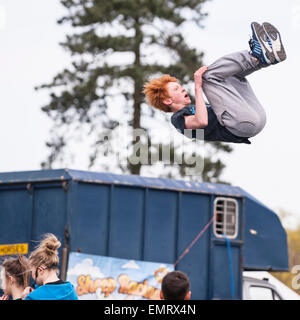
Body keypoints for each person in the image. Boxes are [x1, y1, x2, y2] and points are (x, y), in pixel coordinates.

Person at [143, 22, 286, 145]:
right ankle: (255, 56)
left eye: (180, 87)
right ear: (168, 100)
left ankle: (263, 60)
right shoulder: (178, 120)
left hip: (255, 118)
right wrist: (198, 87)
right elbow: (201, 122)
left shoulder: (195, 107)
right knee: (207, 77)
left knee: (228, 75)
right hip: (241, 125)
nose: (182, 90)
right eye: (176, 89)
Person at [23, 233, 78, 300]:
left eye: (33, 272)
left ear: (40, 270)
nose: (33, 277)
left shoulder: (33, 297)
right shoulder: (71, 291)